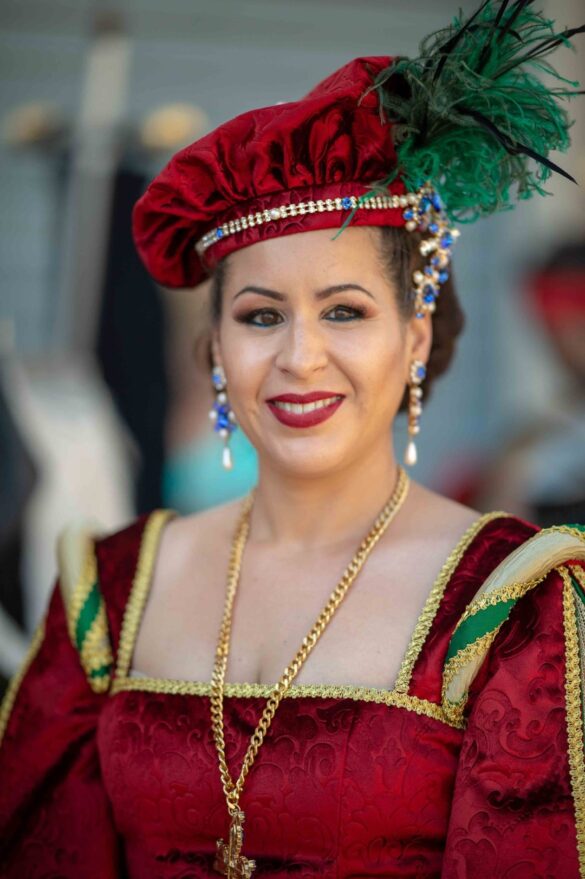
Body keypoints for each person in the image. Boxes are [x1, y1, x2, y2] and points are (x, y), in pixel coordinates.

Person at [1, 3, 585, 877]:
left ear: (414, 336)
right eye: (259, 315)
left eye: (344, 311)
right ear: (214, 346)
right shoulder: (107, 592)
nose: (299, 358)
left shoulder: (506, 601)